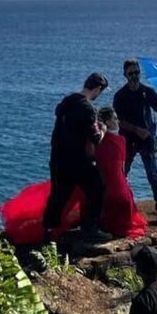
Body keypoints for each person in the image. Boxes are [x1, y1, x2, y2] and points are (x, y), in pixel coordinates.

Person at [113, 58, 157, 226]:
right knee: (122, 175)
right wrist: (137, 130)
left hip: (147, 141)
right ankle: (119, 207)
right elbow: (118, 121)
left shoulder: (148, 92)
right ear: (125, 75)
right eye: (131, 73)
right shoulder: (120, 96)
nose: (134, 76)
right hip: (128, 140)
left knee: (153, 176)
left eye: (137, 72)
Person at [44, 72, 113, 243]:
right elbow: (96, 138)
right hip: (78, 160)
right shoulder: (87, 108)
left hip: (58, 158)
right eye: (100, 91)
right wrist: (103, 127)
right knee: (98, 188)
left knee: (58, 196)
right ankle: (90, 228)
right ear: (97, 89)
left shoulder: (67, 102)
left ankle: (47, 232)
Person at [94, 106, 148, 239]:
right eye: (115, 119)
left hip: (106, 181)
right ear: (107, 123)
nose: (118, 122)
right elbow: (122, 166)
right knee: (124, 198)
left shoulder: (100, 141)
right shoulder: (118, 140)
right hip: (114, 181)